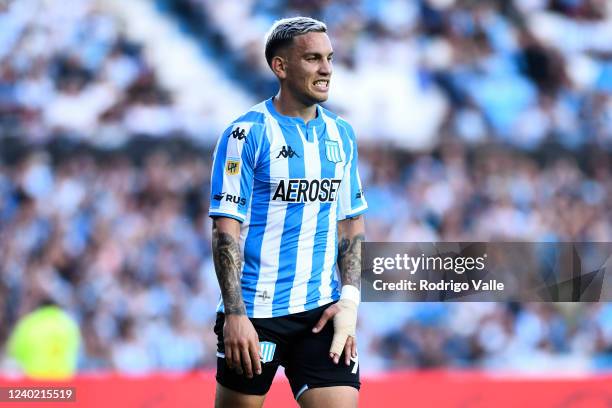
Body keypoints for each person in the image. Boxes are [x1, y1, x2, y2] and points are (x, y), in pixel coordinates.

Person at [209, 16, 367, 408]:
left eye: (329, 58)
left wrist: (349, 300)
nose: (327, 69)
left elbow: (351, 223)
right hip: (255, 314)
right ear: (280, 67)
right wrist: (235, 315)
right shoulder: (246, 134)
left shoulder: (341, 134)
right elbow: (226, 230)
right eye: (313, 58)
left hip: (321, 312)